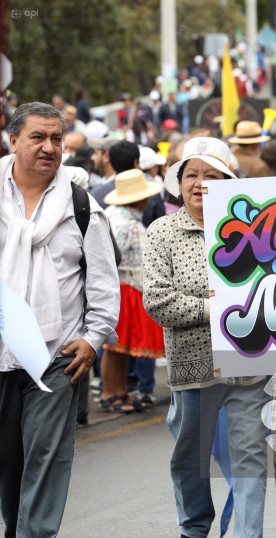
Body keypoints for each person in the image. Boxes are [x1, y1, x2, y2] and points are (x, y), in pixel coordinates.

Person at [0, 102, 119, 536]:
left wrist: (92, 339)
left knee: (46, 460)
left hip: (55, 354)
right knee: (9, 464)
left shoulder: (80, 204)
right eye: (37, 137)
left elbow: (104, 284)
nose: (49, 147)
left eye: (55, 139)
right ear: (13, 141)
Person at [142, 137, 269, 538]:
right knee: (189, 460)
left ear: (228, 182)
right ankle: (194, 529)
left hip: (250, 364)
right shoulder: (162, 231)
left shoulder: (254, 228)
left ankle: (249, 533)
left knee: (251, 457)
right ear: (178, 182)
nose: (200, 183)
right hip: (192, 368)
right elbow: (159, 301)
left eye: (211, 176)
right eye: (191, 174)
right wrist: (218, 308)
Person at [99, 169, 166, 411]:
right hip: (123, 288)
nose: (148, 200)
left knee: (122, 347)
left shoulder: (118, 217)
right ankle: (109, 394)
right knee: (115, 347)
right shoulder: (124, 222)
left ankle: (118, 392)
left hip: (126, 287)